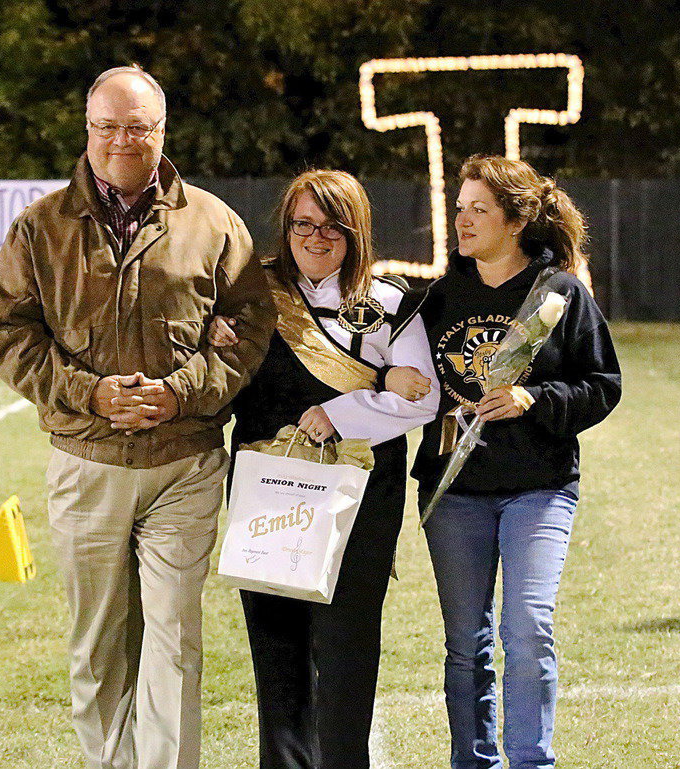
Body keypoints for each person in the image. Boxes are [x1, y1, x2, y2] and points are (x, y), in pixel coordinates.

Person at [0, 65, 276, 769]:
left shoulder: (212, 222)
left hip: (185, 461)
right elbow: (10, 334)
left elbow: (249, 323)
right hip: (87, 464)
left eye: (137, 126)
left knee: (174, 641)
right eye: (107, 126)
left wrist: (183, 391)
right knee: (98, 645)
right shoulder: (41, 227)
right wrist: (90, 393)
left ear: (161, 131)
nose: (122, 139)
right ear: (88, 131)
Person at [385, 155, 622, 769]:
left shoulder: (558, 294)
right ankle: (473, 760)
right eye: (459, 209)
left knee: (527, 627)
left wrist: (534, 398)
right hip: (454, 489)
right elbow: (386, 363)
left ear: (516, 220)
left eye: (477, 210)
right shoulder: (439, 297)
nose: (461, 221)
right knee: (466, 641)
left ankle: (530, 761)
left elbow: (604, 384)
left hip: (539, 488)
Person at [206, 169, 440, 769]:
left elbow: (424, 397)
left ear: (355, 231)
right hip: (269, 491)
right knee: (277, 654)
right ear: (286, 229)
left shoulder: (393, 302)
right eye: (302, 224)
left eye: (332, 226)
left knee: (345, 653)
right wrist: (213, 335)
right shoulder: (249, 295)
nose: (316, 237)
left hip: (360, 500)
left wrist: (343, 411)